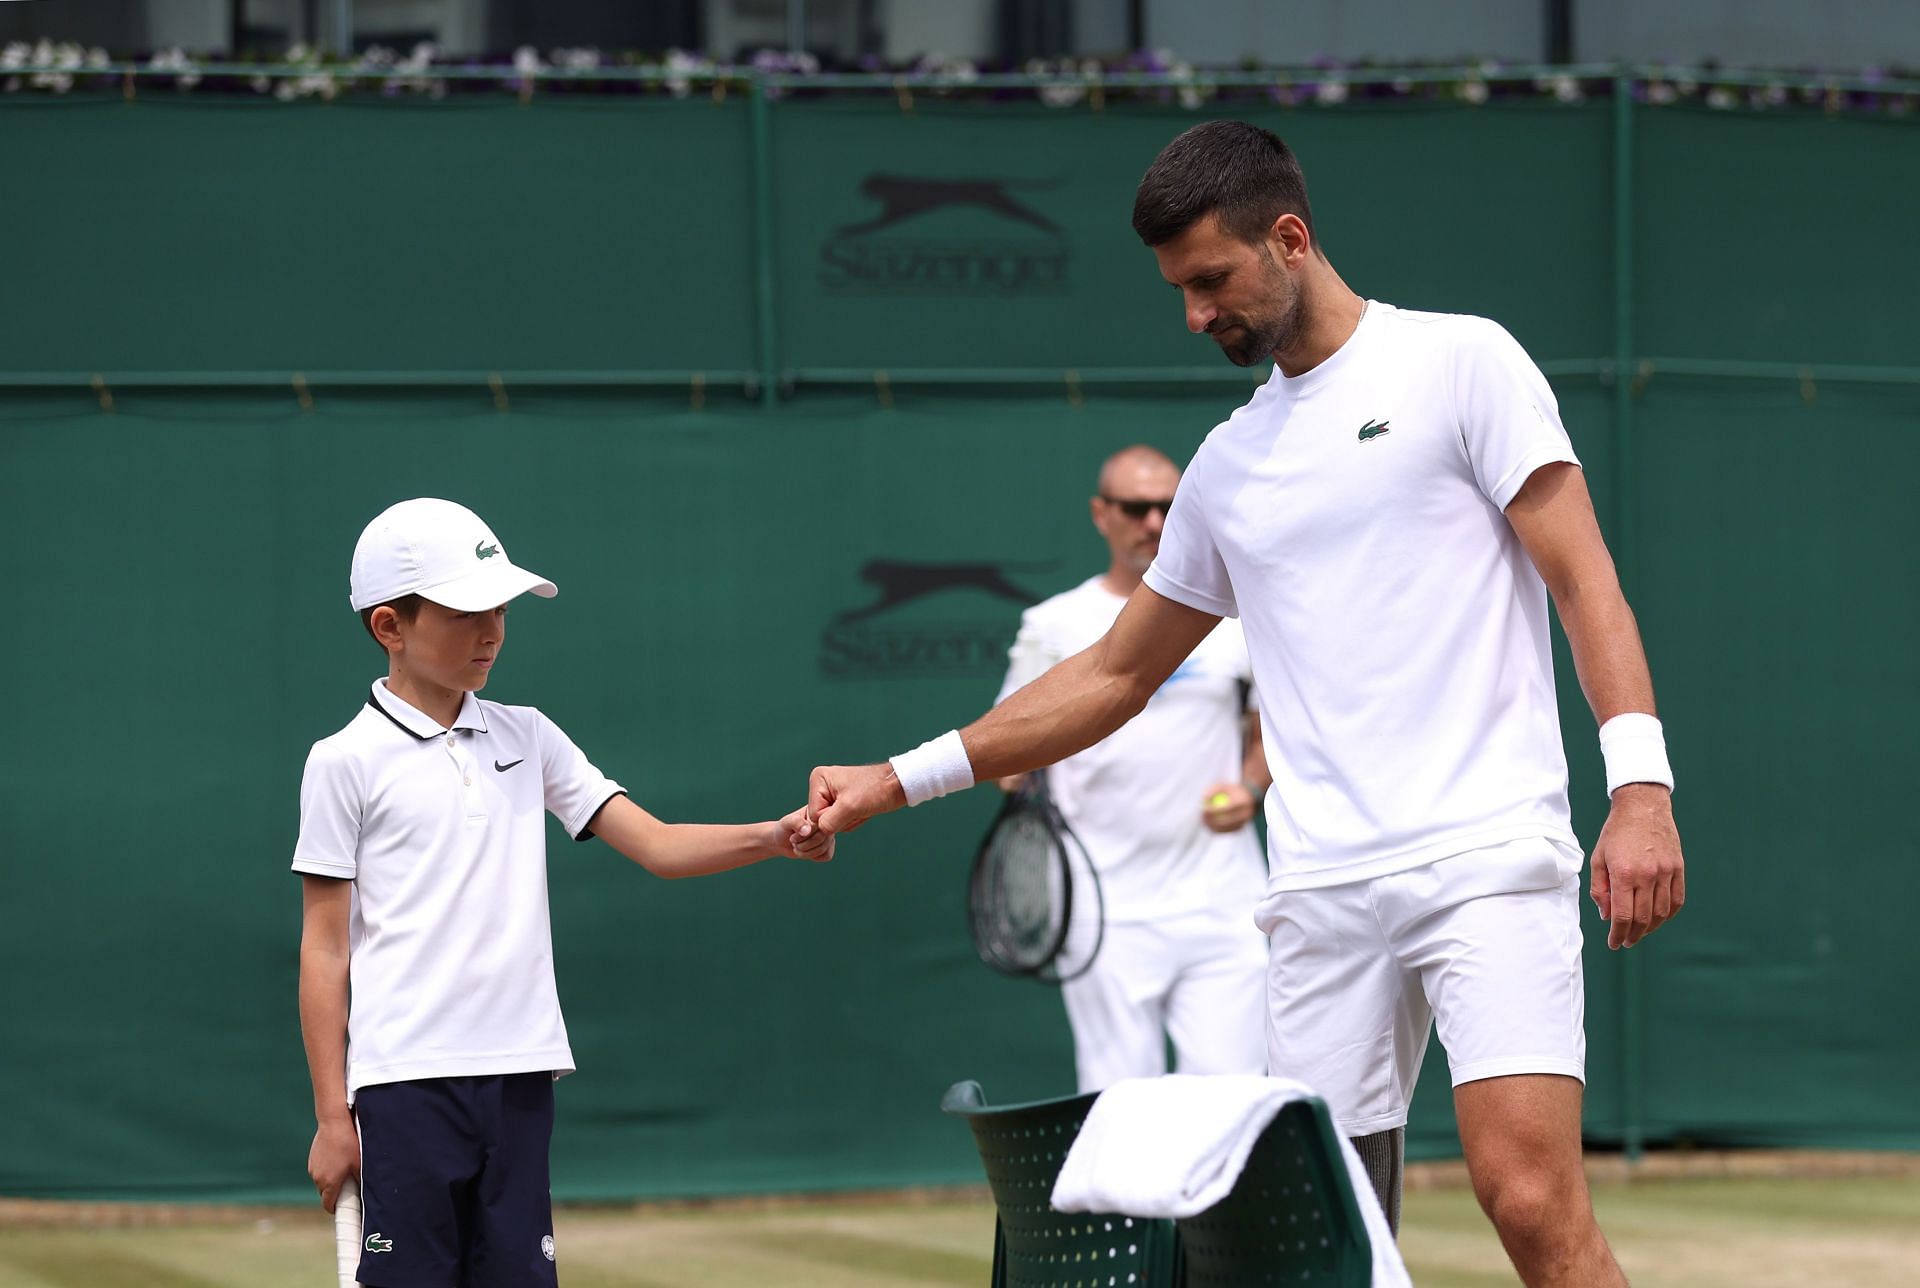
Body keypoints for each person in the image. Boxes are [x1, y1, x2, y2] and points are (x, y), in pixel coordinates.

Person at [805, 121, 1684, 1288]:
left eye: (1211, 280)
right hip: (1320, 893)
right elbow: (1116, 673)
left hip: (1484, 854)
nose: (1194, 313)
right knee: (1312, 1247)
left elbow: (1586, 581)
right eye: (1176, 289)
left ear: (1291, 238)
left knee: (1526, 1198)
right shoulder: (1224, 465)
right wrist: (897, 776)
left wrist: (1642, 787)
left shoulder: (1464, 363)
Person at [294, 498, 829, 1288]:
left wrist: (773, 835)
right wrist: (333, 1117)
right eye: (466, 612)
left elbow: (658, 846)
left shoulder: (529, 735)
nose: (492, 632)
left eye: (500, 610)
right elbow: (324, 946)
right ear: (389, 627)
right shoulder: (343, 761)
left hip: (519, 1081)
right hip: (402, 1090)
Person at [995, 444, 1270, 1093]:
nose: (1154, 522)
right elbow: (1008, 763)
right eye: (1136, 507)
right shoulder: (1054, 625)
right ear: (1102, 514)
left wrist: (1250, 787)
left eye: (1169, 507)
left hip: (1224, 904)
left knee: (1231, 1100)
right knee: (1120, 1104)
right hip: (1102, 909)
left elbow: (1272, 733)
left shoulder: (1236, 615)